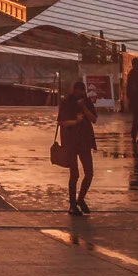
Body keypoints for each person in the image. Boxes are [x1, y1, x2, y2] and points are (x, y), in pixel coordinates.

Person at [56, 79, 98, 215]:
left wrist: (84, 108)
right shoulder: (66, 103)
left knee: (89, 173)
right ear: (74, 90)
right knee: (74, 174)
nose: (81, 95)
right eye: (79, 92)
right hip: (71, 142)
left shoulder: (86, 102)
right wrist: (75, 121)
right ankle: (72, 204)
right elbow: (61, 122)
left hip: (85, 142)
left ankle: (81, 199)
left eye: (83, 92)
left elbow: (94, 119)